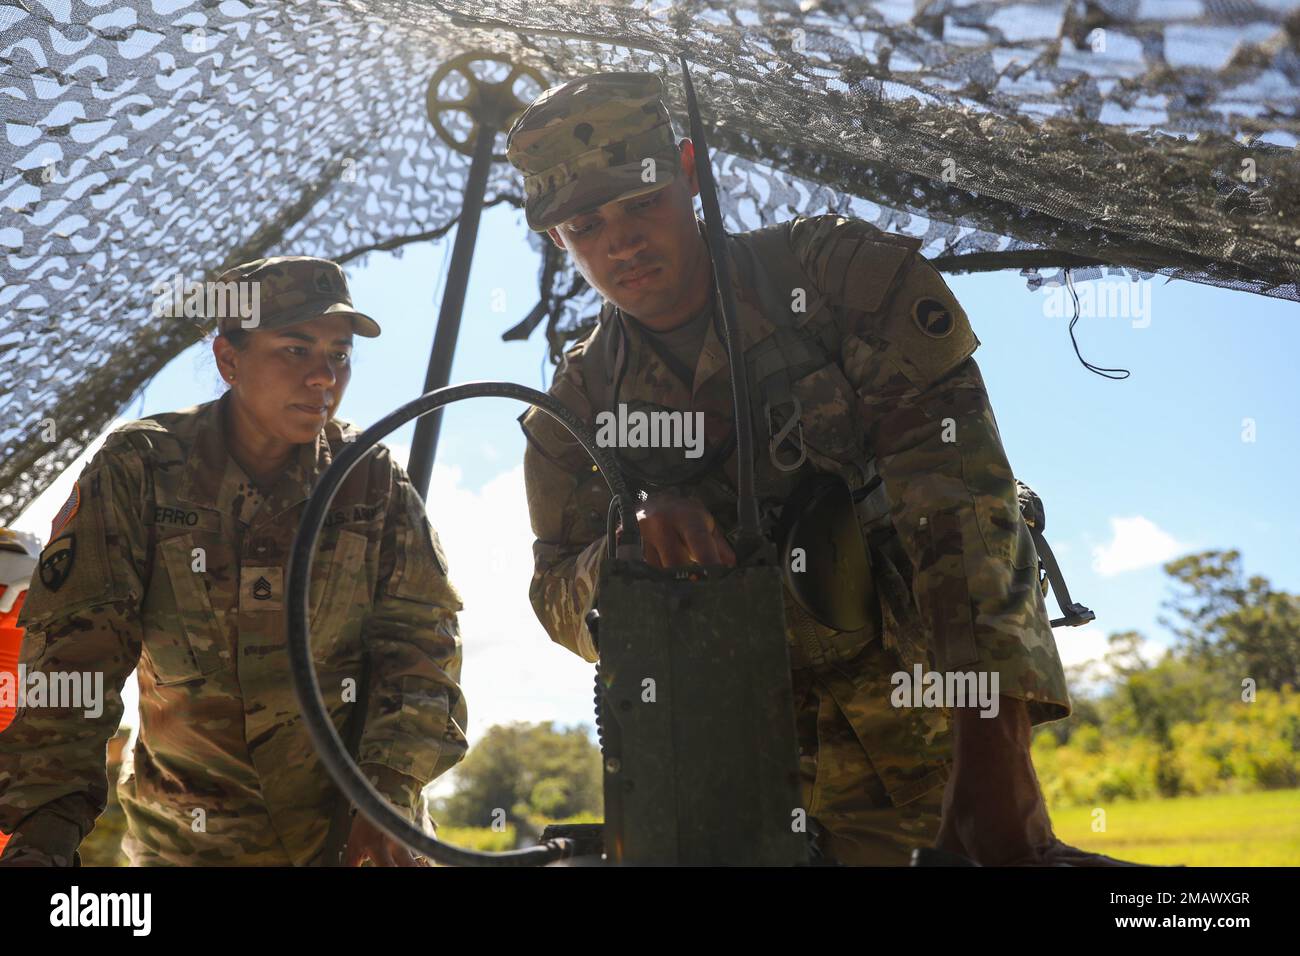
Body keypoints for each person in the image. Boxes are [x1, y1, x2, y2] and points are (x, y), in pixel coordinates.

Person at [507, 72, 1123, 865]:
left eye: (643, 202)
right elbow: (557, 597)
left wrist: (993, 748)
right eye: (587, 224)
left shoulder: (837, 283)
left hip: (926, 749)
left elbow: (964, 510)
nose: (621, 241)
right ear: (557, 237)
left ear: (689, 169)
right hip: (727, 781)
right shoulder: (574, 413)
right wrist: (623, 550)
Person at [0, 257, 467, 866]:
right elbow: (77, 658)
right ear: (228, 360)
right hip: (189, 847)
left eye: (340, 354)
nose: (324, 376)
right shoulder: (141, 469)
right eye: (295, 350)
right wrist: (44, 837)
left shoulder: (369, 477)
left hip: (356, 844)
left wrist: (387, 799)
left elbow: (421, 651)